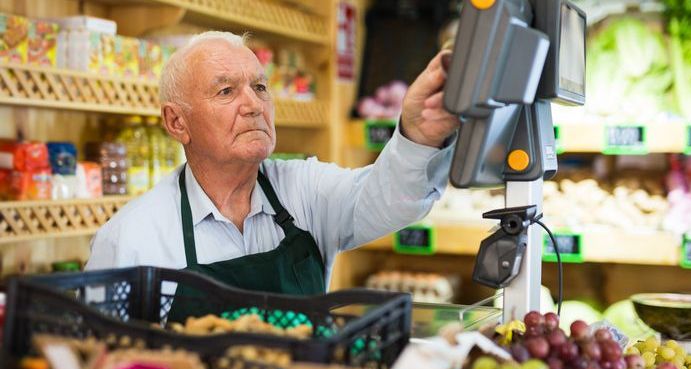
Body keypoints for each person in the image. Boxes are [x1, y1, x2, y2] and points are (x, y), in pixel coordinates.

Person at [86, 31, 458, 300]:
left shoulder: (305, 190)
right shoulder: (131, 240)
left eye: (260, 87)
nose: (253, 105)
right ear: (177, 123)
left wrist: (417, 133)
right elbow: (99, 362)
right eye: (226, 91)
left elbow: (391, 198)